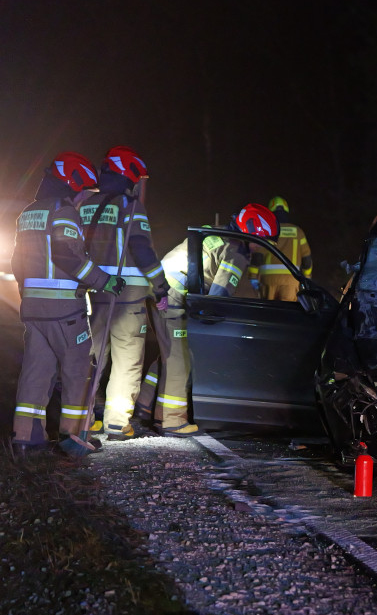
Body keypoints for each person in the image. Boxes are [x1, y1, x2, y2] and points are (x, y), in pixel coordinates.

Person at [10, 152, 126, 457]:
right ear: (71, 186)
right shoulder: (64, 212)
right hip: (66, 312)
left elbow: (17, 263)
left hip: (33, 310)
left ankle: (26, 439)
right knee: (77, 372)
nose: (83, 198)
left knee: (35, 373)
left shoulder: (28, 213)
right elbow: (68, 256)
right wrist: (104, 281)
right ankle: (73, 439)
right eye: (83, 191)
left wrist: (28, 295)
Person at [135, 204, 279, 437]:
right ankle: (173, 421)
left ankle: (145, 404)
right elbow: (219, 295)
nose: (262, 249)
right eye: (262, 242)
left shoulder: (219, 232)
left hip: (161, 288)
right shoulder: (237, 251)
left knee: (168, 352)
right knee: (180, 359)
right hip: (174, 296)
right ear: (252, 233)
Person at [81, 146, 170, 441]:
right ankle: (117, 424)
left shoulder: (83, 205)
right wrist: (161, 287)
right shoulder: (130, 206)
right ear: (127, 173)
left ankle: (80, 419)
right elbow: (142, 250)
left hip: (93, 294)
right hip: (128, 297)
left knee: (90, 357)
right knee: (127, 360)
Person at [247, 195, 312, 301]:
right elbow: (307, 260)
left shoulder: (268, 232)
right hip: (291, 281)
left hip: (268, 281)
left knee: (270, 314)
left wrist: (252, 277)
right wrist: (307, 278)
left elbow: (257, 257)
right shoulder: (298, 232)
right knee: (287, 314)